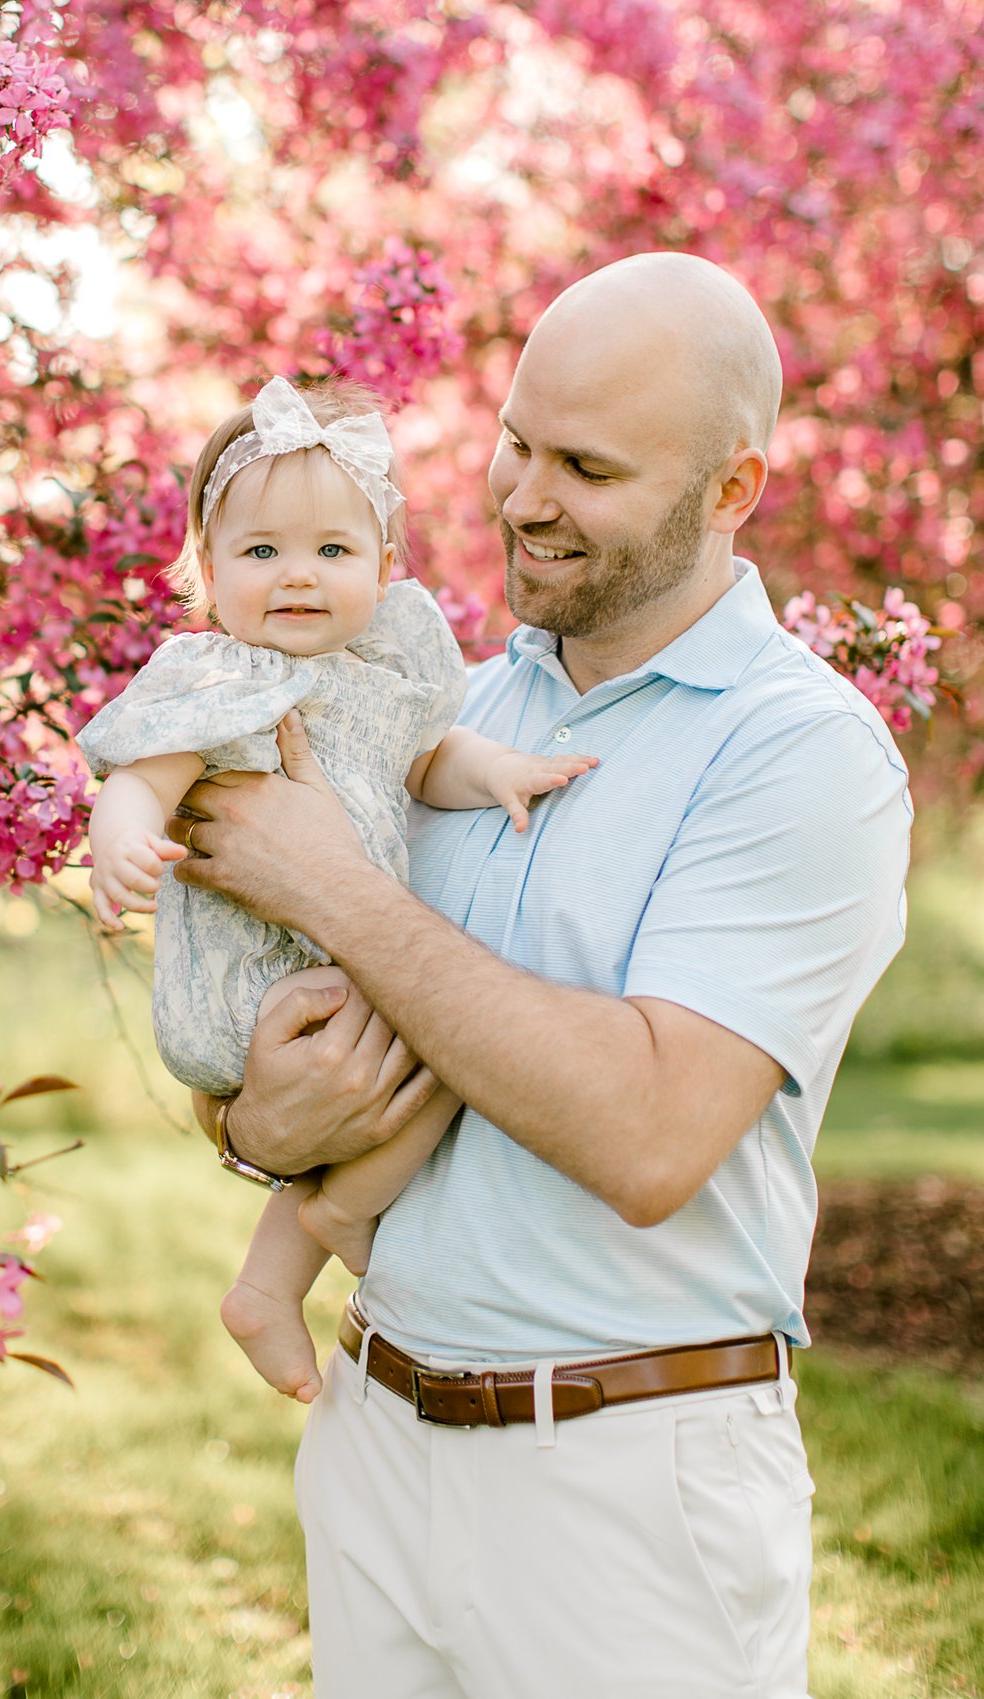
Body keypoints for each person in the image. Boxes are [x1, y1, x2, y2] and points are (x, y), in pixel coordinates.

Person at [174, 253, 911, 1698]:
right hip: (380, 1436)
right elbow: (283, 1017)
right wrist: (255, 1125)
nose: (522, 495)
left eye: (586, 465)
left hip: (627, 1488)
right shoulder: (452, 702)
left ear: (732, 490)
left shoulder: (801, 751)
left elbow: (649, 1134)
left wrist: (328, 876)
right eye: (517, 440)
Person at [80, 375, 593, 1402]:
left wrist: (496, 773)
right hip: (256, 989)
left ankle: (272, 1284)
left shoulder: (376, 676)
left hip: (326, 981)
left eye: (331, 551)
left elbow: (424, 763)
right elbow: (146, 775)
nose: (297, 577)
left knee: (456, 1039)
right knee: (459, 1040)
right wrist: (124, 837)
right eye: (260, 553)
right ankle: (333, 1222)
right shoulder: (223, 682)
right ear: (210, 573)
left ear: (382, 565)